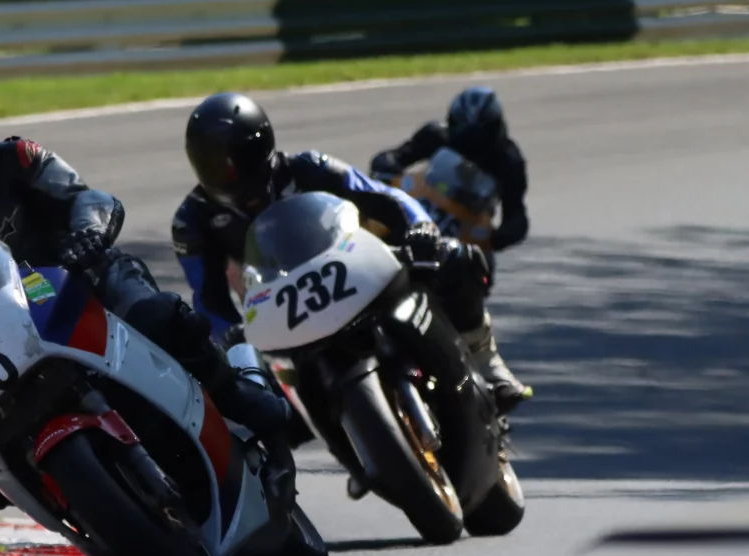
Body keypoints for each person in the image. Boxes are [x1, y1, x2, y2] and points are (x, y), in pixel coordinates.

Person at [0, 92, 297, 509]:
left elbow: (84, 197)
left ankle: (245, 400)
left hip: (82, 282)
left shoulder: (15, 159)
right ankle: (100, 527)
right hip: (6, 347)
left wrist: (88, 232)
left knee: (161, 319)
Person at [173, 91, 527, 408]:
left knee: (455, 257)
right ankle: (276, 475)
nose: (232, 174)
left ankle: (488, 363)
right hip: (279, 312)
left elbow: (385, 198)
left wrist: (420, 228)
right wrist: (231, 333)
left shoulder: (309, 166)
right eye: (216, 165)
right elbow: (208, 295)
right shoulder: (192, 220)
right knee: (250, 400)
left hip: (351, 268)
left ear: (264, 144)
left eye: (242, 157)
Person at [369, 85, 529, 254]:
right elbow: (397, 156)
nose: (470, 139)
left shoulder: (509, 160)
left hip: (468, 226)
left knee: (481, 269)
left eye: (478, 133)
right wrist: (387, 168)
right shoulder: (435, 135)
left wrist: (503, 235)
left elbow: (516, 212)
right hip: (424, 204)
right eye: (462, 129)